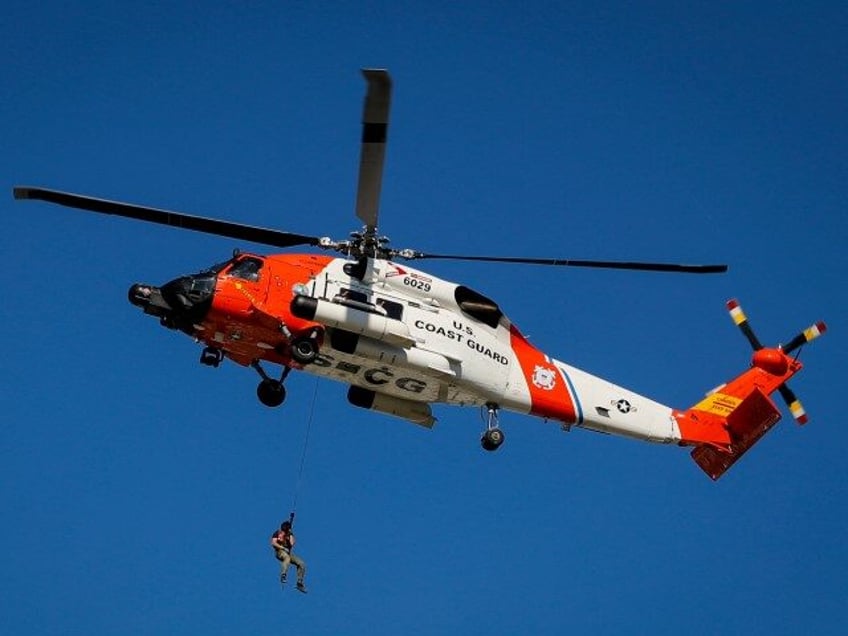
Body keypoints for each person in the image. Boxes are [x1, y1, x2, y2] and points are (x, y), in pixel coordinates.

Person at [270, 520, 307, 593]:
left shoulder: (289, 534)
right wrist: (282, 547)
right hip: (279, 552)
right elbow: (273, 543)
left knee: (301, 563)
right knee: (287, 558)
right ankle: (283, 575)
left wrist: (290, 535)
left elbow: (292, 543)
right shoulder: (277, 533)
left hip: (288, 553)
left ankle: (299, 582)